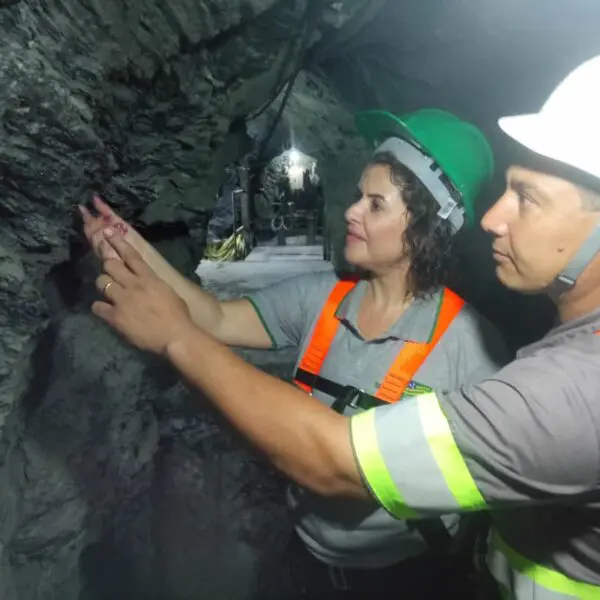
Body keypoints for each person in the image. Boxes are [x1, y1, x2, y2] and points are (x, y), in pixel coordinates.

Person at [80, 108, 509, 597]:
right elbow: (214, 319)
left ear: (428, 228)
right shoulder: (319, 296)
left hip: (402, 577)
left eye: (376, 204)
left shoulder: (472, 349)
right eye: (357, 198)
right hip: (303, 554)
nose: (351, 211)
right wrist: (126, 244)